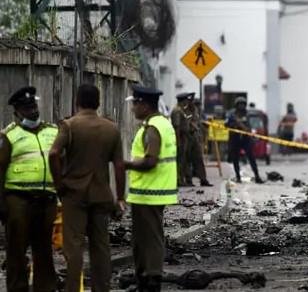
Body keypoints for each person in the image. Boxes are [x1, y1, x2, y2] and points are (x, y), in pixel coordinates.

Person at [48, 84, 126, 292]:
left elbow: (54, 153)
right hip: (101, 196)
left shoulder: (69, 126)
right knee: (101, 247)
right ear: (98, 102)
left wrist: (59, 184)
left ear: (77, 101)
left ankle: (73, 288)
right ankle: (102, 288)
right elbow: (119, 165)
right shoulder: (111, 128)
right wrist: (120, 197)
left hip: (74, 195)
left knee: (74, 247)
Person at [0, 86, 58, 292]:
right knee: (17, 251)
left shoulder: (53, 131)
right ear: (16, 112)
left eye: (33, 106)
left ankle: (45, 288)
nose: (32, 111)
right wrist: (2, 205)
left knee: (44, 251)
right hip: (19, 201)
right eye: (26, 108)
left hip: (47, 200)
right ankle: (18, 288)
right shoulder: (9, 136)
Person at [124, 85, 179, 291]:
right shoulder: (163, 123)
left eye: (135, 105)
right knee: (142, 239)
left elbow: (150, 161)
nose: (132, 109)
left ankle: (151, 280)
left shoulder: (153, 129)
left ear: (144, 105)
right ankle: (144, 279)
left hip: (149, 193)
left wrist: (124, 164)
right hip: (152, 192)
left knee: (150, 238)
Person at [226, 97, 264, 183]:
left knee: (251, 158)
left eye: (243, 104)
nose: (241, 106)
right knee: (235, 158)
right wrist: (234, 125)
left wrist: (247, 130)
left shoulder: (247, 114)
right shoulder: (232, 114)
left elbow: (250, 126)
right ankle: (238, 177)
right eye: (240, 104)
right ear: (236, 105)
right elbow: (226, 124)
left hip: (245, 138)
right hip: (235, 139)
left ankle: (257, 176)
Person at [171, 92, 195, 186]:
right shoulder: (177, 110)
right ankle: (178, 180)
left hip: (184, 137)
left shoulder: (181, 110)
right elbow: (177, 127)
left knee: (183, 160)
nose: (187, 102)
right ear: (183, 101)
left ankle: (181, 179)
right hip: (180, 138)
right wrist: (178, 141)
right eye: (186, 100)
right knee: (179, 161)